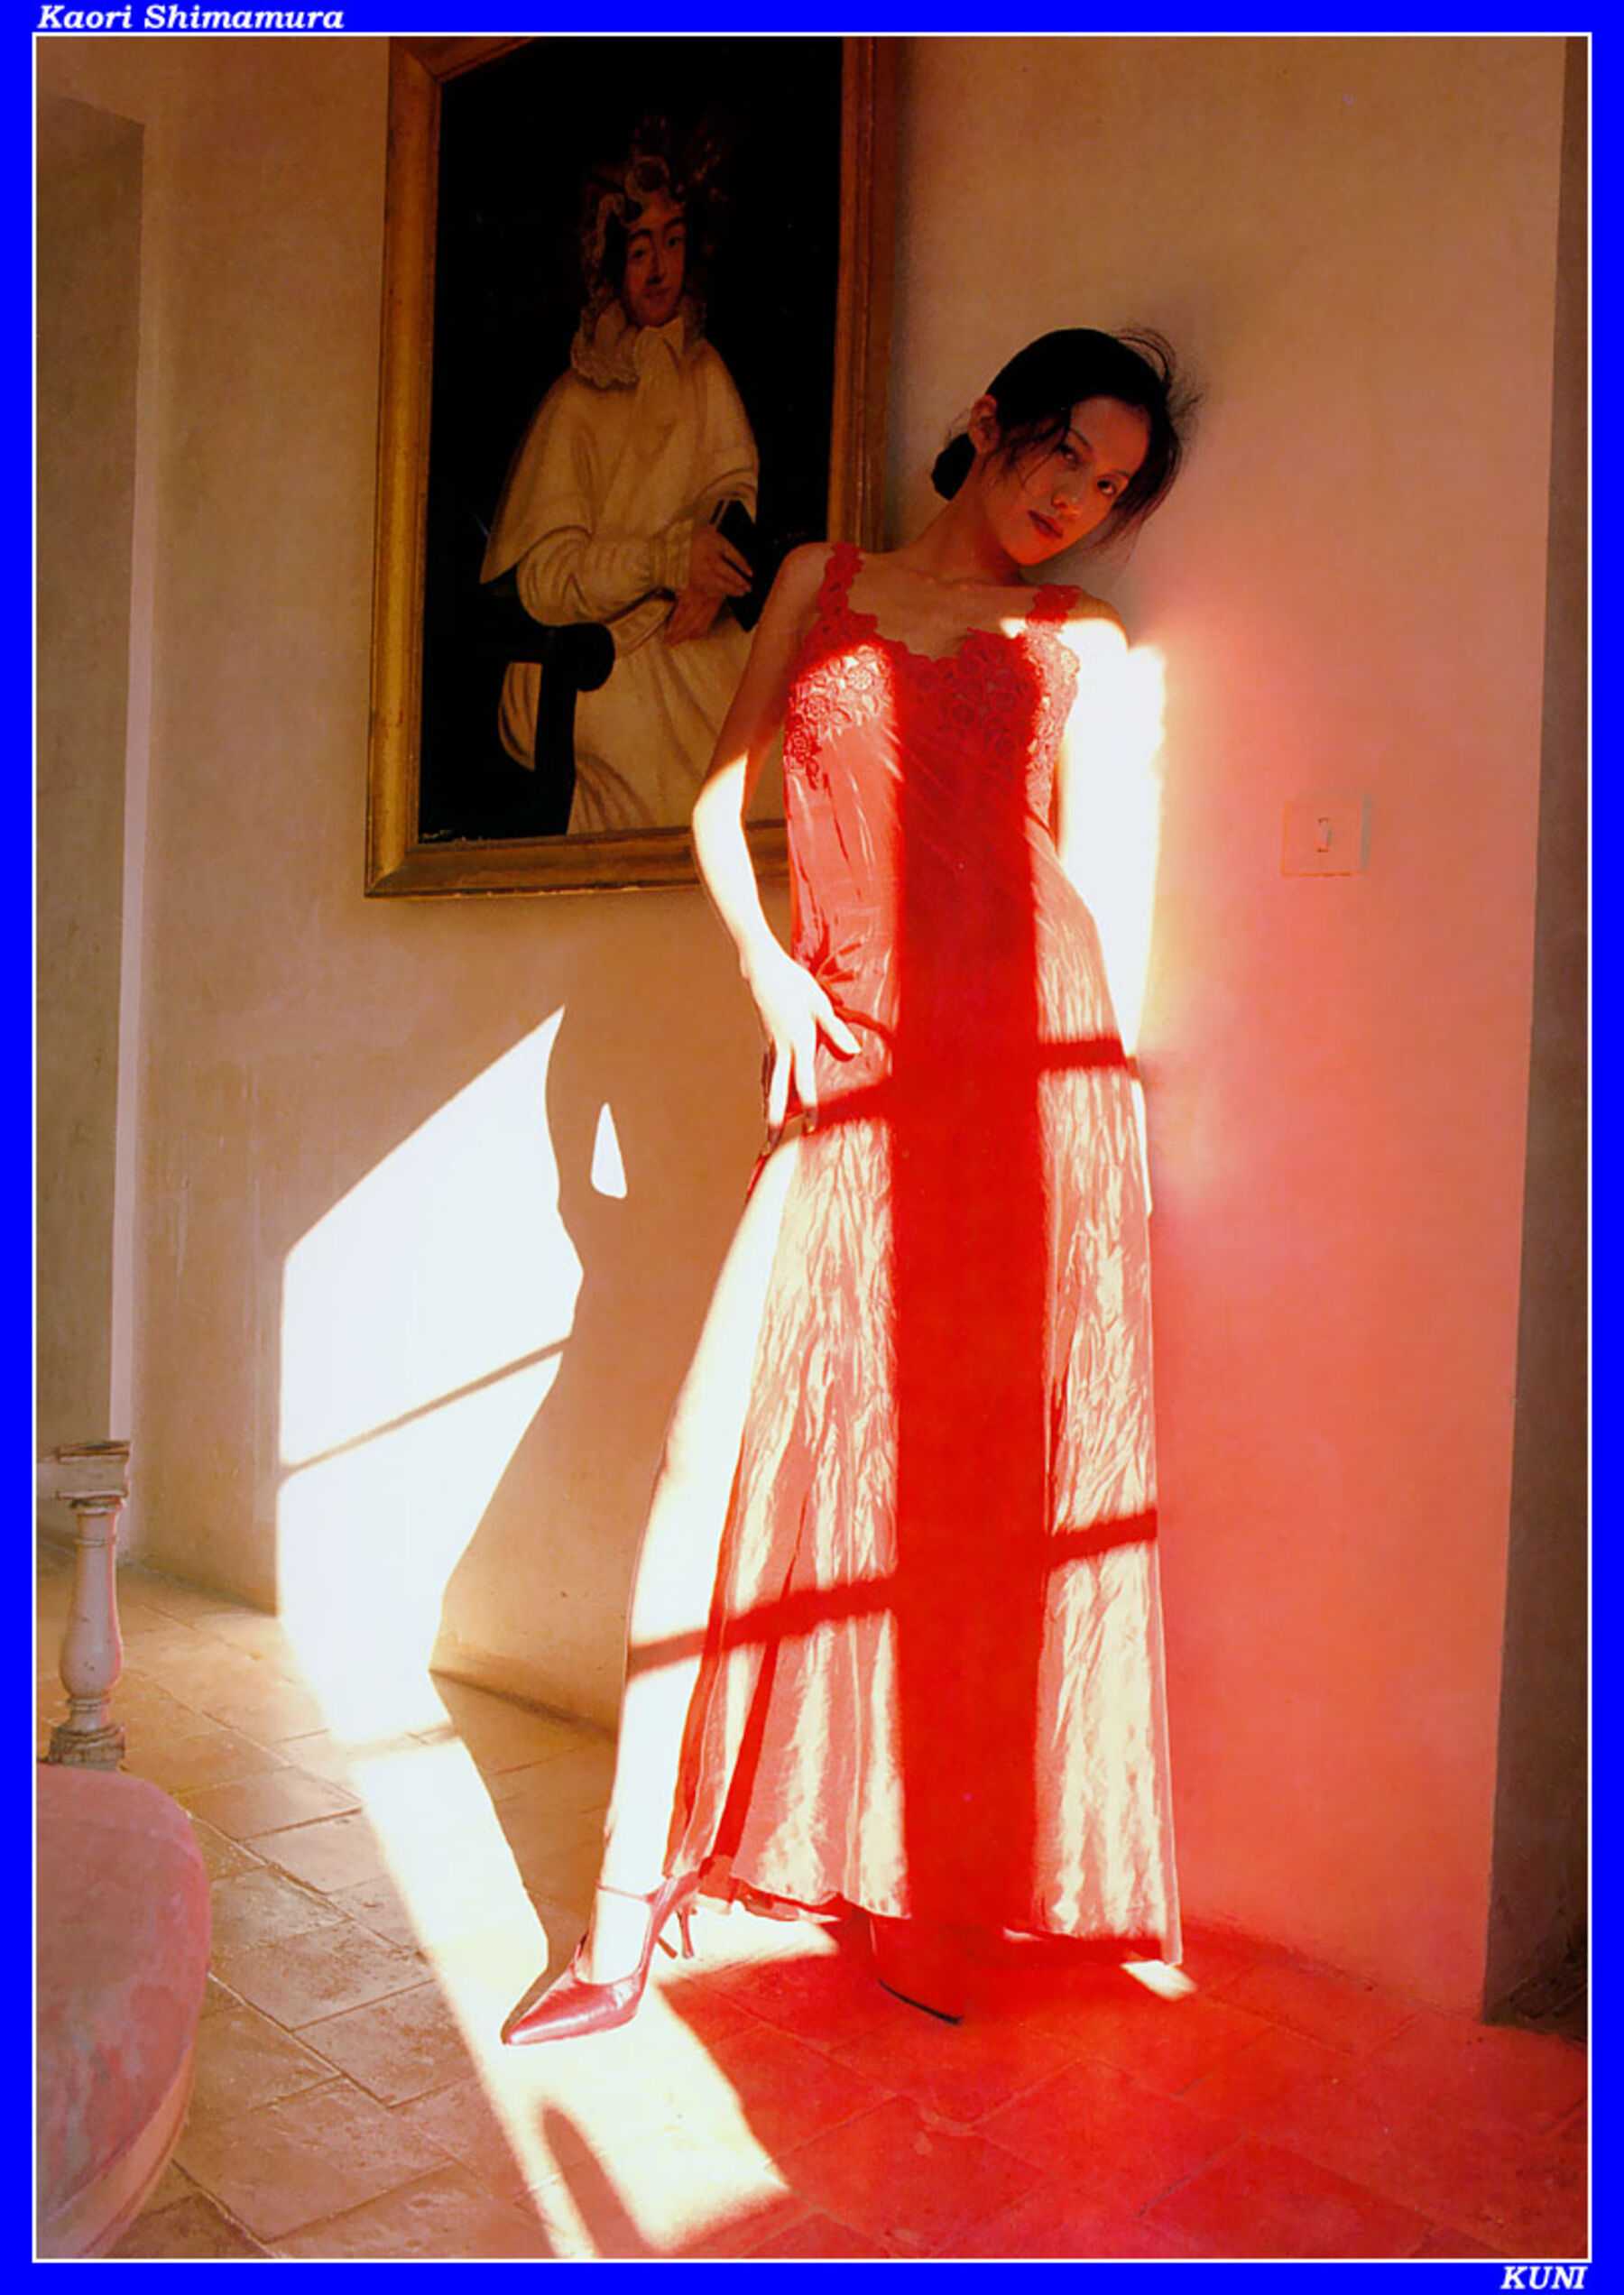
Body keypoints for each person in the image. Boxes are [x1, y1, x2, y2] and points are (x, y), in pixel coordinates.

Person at [504, 327, 1194, 2042]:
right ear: (989, 421)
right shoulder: (822, 581)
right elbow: (717, 803)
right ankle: (618, 1916)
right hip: (849, 1044)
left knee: (964, 1487)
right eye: (1065, 453)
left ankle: (928, 1882)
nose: (1076, 500)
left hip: (1026, 1073)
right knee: (706, 1456)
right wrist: (771, 974)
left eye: (1112, 486)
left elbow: (1101, 898)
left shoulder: (1083, 641)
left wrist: (1103, 1137)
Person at [480, 123, 763, 834]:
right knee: (668, 785)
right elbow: (544, 582)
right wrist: (663, 560)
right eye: (640, 251)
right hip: (586, 658)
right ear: (612, 263)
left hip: (688, 632)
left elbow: (734, 491)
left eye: (673, 242)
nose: (659, 269)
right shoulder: (576, 403)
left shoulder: (705, 373)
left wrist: (709, 574)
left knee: (771, 747)